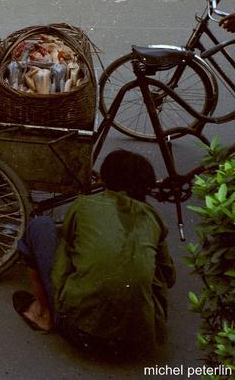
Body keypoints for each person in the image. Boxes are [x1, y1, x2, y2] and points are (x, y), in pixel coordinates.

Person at [13, 149, 176, 358]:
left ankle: (45, 315)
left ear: (105, 180)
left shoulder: (83, 206)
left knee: (40, 226)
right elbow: (168, 277)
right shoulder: (153, 217)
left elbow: (61, 266)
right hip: (139, 342)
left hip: (81, 334)